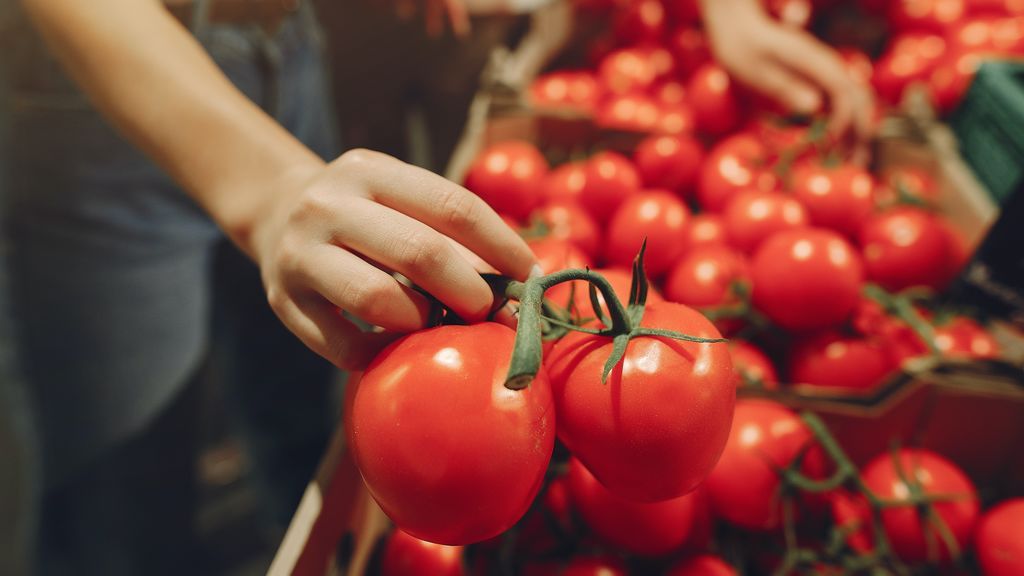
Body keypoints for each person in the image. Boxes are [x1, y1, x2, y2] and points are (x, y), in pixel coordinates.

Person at [4, 0, 537, 574]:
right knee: (124, 505)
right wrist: (271, 188)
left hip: (286, 42)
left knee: (301, 414)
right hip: (101, 85)